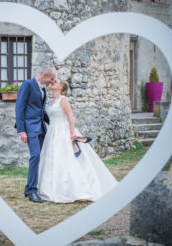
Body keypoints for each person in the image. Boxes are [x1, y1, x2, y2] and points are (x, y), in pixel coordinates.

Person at [37, 79, 118, 203]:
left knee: (66, 158)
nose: (53, 82)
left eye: (56, 82)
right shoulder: (50, 101)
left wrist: (72, 133)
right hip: (52, 132)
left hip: (62, 131)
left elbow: (70, 116)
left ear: (61, 87)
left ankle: (76, 189)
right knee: (52, 159)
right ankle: (51, 188)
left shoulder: (63, 100)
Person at [15, 66, 56, 203]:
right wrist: (22, 130)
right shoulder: (27, 85)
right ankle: (32, 191)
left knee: (41, 156)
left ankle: (29, 188)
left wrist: (54, 122)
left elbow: (40, 110)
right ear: (45, 75)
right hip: (30, 128)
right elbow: (19, 107)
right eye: (51, 78)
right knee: (35, 156)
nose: (52, 81)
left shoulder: (43, 88)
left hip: (41, 128)